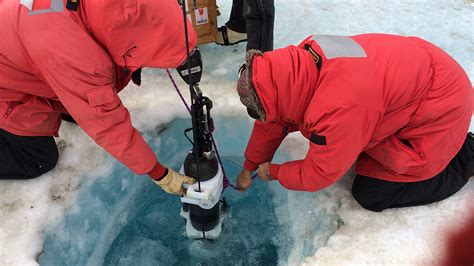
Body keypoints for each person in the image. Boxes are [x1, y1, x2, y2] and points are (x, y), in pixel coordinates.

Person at [235, 34, 474, 212]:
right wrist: (250, 165)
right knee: (354, 146)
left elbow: (319, 173)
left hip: (440, 106)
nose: (261, 118)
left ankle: (466, 156)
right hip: (420, 72)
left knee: (371, 193)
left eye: (258, 112)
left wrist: (276, 172)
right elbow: (275, 118)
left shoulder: (339, 107)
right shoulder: (301, 60)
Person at [0, 0, 199, 195]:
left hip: (18, 42)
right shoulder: (76, 56)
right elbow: (105, 122)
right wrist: (159, 173)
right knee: (37, 159)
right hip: (6, 87)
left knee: (77, 105)